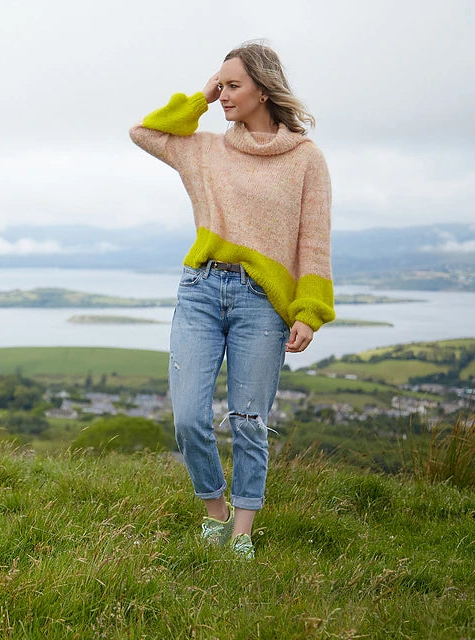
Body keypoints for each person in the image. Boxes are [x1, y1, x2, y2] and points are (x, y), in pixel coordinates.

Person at [129, 40, 334, 559]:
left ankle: (241, 530)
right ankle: (213, 508)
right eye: (219, 85)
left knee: (248, 419)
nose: (223, 95)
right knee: (189, 417)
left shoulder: (306, 159)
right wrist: (199, 97)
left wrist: (309, 312)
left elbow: (314, 241)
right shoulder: (203, 150)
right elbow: (144, 132)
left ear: (263, 90)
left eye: (232, 85)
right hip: (200, 290)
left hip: (262, 303)